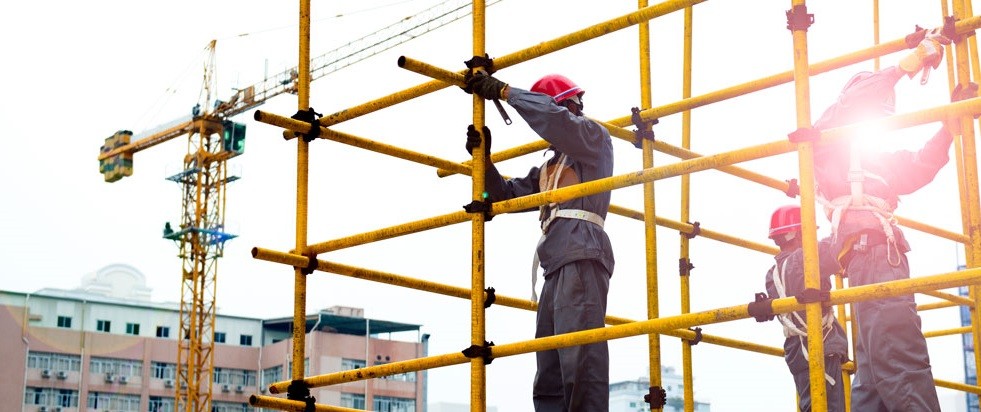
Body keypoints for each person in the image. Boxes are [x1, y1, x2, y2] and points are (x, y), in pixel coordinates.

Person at [808, 29, 975, 410]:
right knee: (901, 360)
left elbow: (919, 166)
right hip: (872, 255)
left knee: (872, 376)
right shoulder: (829, 140)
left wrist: (950, 124)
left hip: (878, 256)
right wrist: (909, 63)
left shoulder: (874, 162)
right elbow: (853, 102)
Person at [464, 69, 614, 412]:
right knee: (549, 368)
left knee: (581, 362)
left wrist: (505, 92)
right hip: (555, 264)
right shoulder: (550, 168)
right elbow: (500, 196)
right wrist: (484, 160)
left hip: (581, 255)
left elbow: (552, 118)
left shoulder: (594, 139)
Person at [764, 205, 848, 412]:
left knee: (811, 405)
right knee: (828, 406)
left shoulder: (772, 274)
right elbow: (836, 246)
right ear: (799, 233)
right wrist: (844, 213)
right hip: (819, 346)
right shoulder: (806, 258)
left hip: (796, 350)